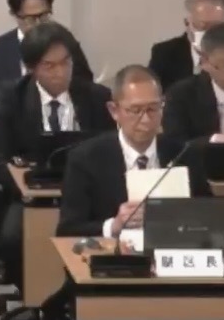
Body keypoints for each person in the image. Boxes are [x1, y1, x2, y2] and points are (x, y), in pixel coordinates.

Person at [0, 21, 114, 289]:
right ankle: (35, 292)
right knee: (14, 238)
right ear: (31, 68)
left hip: (88, 193)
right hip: (32, 196)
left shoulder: (97, 96)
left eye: (66, 62)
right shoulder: (12, 96)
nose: (60, 72)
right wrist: (23, 184)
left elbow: (111, 149)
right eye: (50, 65)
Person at [57, 65, 201, 238]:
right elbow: (68, 229)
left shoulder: (184, 153)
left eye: (153, 108)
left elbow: (208, 218)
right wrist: (114, 226)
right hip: (113, 253)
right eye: (135, 110)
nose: (146, 120)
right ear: (114, 110)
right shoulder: (86, 159)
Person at [0, 0, 95, 122]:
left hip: (60, 124)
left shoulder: (65, 42)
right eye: (30, 19)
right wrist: (3, 106)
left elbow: (87, 87)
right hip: (12, 131)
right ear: (15, 15)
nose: (39, 24)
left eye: (44, 16)